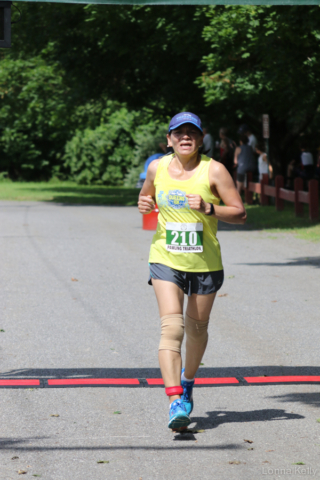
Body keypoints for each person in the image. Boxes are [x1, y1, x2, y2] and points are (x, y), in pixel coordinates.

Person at [138, 112, 246, 431]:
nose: (185, 137)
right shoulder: (156, 167)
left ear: (200, 139)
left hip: (205, 264)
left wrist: (209, 207)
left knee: (196, 329)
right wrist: (145, 204)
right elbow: (147, 195)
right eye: (179, 133)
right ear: (169, 139)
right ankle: (175, 401)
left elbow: (239, 213)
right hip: (165, 258)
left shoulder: (214, 170)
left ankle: (187, 382)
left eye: (192, 133)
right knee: (172, 328)